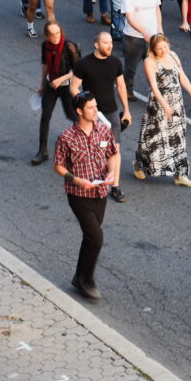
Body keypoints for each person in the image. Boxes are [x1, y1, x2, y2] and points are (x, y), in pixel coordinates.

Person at [53, 93, 119, 300]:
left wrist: (111, 172)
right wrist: (76, 179)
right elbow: (58, 165)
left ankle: (79, 276)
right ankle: (87, 281)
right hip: (79, 194)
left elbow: (114, 154)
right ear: (80, 111)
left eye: (95, 106)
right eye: (90, 108)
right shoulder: (67, 137)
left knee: (90, 237)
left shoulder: (103, 131)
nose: (95, 111)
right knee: (96, 238)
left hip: (100, 192)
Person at [69, 31, 131, 203]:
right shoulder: (84, 64)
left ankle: (116, 186)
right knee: (91, 149)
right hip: (91, 116)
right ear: (96, 45)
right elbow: (74, 87)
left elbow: (120, 86)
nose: (110, 45)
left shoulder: (115, 62)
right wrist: (85, 104)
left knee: (115, 150)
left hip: (111, 113)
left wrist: (126, 110)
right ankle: (89, 180)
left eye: (111, 42)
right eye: (105, 43)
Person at [133, 34, 191, 187]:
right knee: (154, 140)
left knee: (178, 138)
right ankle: (139, 164)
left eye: (165, 47)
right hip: (158, 106)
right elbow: (154, 87)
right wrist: (164, 105)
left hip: (177, 104)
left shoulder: (174, 56)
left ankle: (181, 174)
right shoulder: (149, 61)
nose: (163, 51)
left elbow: (181, 76)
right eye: (159, 49)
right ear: (152, 49)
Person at [33, 21, 82, 165]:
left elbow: (78, 70)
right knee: (45, 116)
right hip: (51, 85)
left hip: (67, 86)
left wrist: (62, 79)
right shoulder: (45, 46)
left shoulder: (69, 46)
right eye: (52, 34)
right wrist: (42, 84)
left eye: (58, 33)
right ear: (47, 36)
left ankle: (80, 150)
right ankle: (42, 151)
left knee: (72, 115)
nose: (55, 37)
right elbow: (45, 65)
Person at [121, 0, 162, 98]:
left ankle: (155, 91)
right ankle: (127, 89)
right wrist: (143, 32)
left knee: (154, 66)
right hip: (134, 38)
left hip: (153, 36)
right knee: (131, 66)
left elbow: (157, 9)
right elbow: (130, 17)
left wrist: (159, 28)